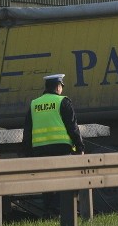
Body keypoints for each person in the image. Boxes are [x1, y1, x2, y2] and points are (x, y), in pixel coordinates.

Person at [22, 73, 85, 216]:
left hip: (39, 149)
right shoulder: (63, 101)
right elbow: (72, 127)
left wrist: (28, 153)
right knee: (64, 180)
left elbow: (27, 131)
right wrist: (80, 146)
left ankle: (49, 211)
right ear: (58, 86)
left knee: (47, 181)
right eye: (61, 86)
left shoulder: (34, 104)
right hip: (60, 147)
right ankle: (60, 210)